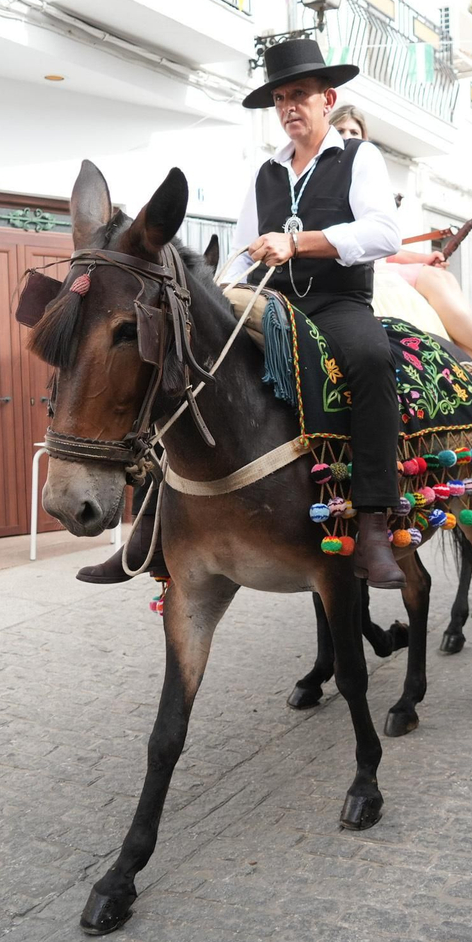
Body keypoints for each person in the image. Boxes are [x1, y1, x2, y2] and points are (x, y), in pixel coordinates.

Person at [80, 41, 405, 589]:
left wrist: (298, 243)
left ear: (327, 99)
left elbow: (384, 233)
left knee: (372, 362)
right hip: (271, 301)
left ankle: (373, 523)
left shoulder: (358, 157)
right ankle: (151, 527)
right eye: (280, 98)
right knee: (183, 362)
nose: (288, 108)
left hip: (337, 303)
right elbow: (250, 243)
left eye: (299, 95)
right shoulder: (266, 173)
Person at [328, 104, 472, 384]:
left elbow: (387, 248)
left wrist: (423, 258)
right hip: (355, 270)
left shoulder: (369, 177)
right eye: (341, 130)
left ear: (365, 138)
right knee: (432, 278)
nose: (349, 136)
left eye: (355, 131)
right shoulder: (327, 179)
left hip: (375, 264)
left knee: (443, 277)